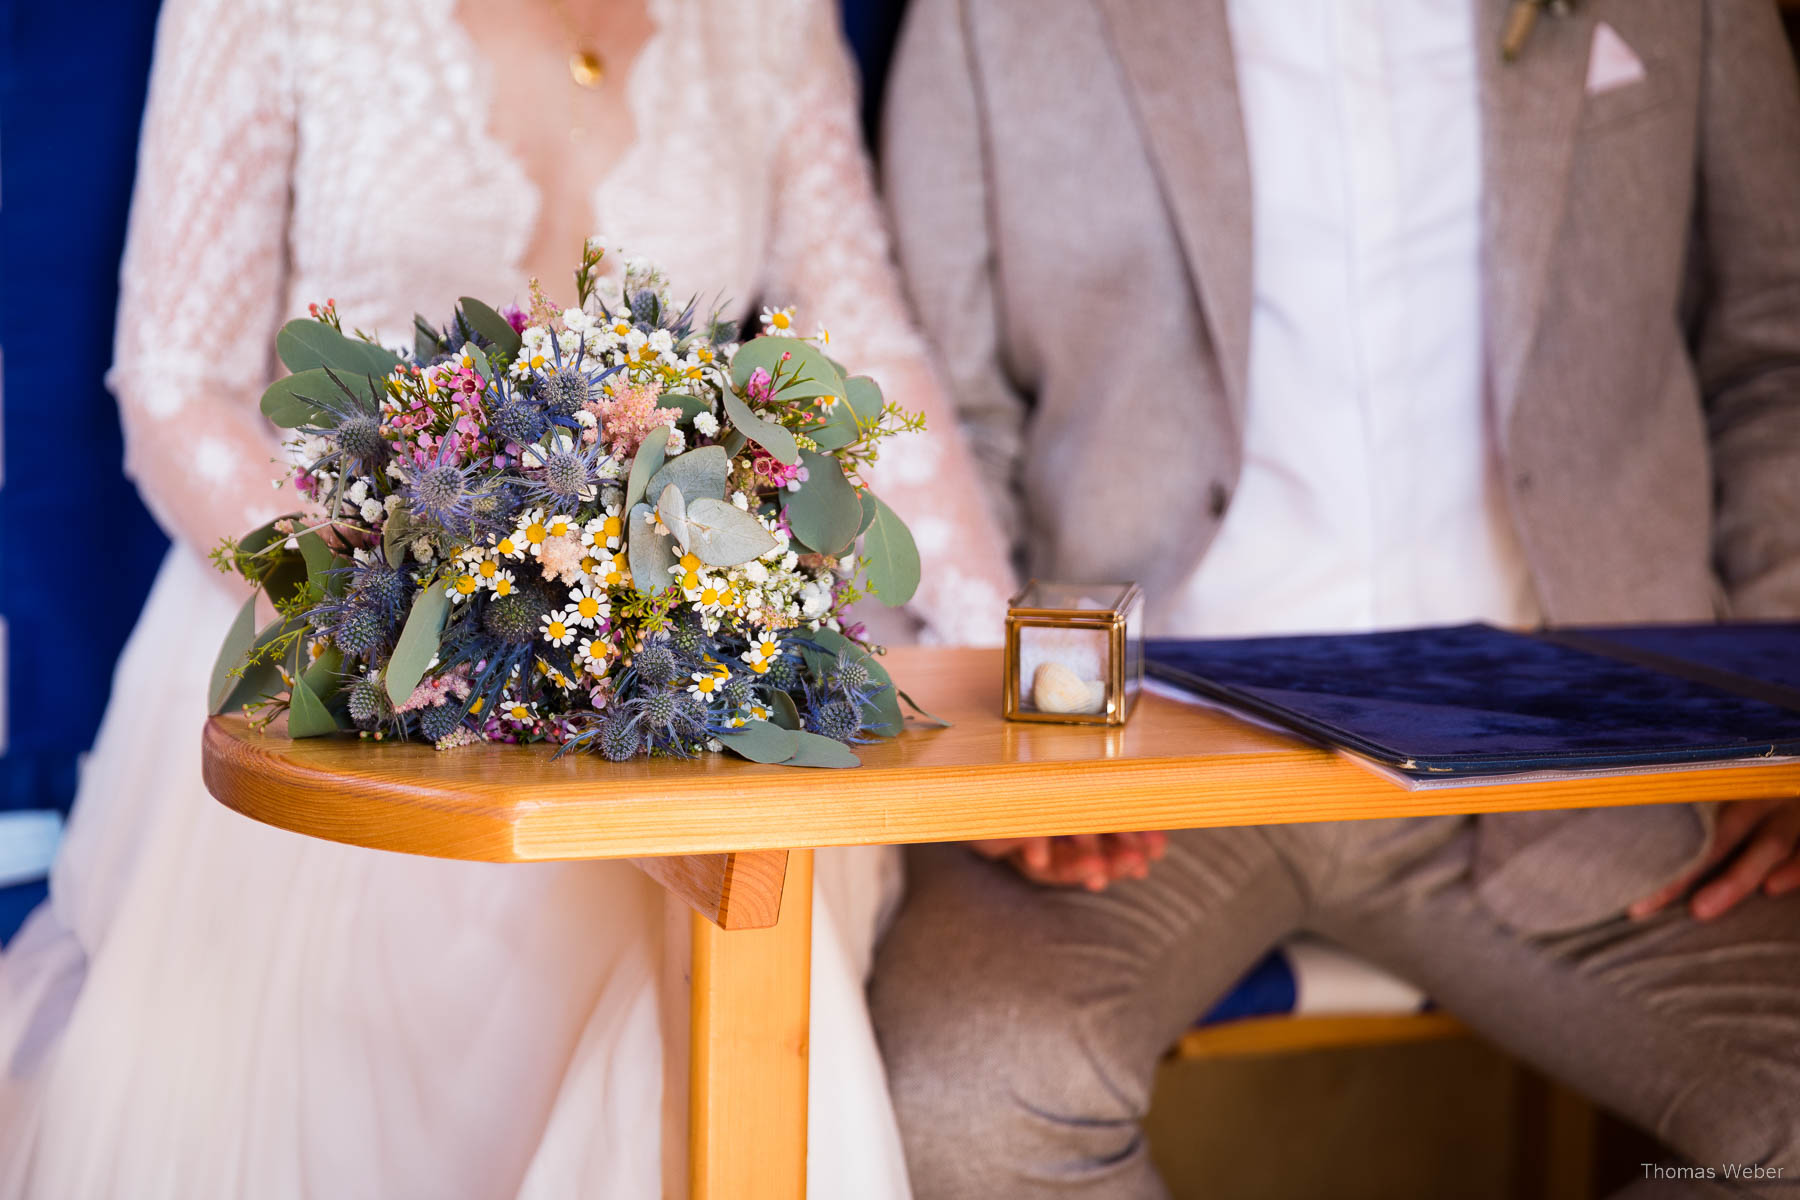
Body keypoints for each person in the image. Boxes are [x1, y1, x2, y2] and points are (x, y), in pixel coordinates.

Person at [0, 0, 1015, 1195]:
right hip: (334, 650)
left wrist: (1004, 654)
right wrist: (404, 619)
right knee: (485, 910)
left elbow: (866, 359)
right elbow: (176, 387)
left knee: (724, 890)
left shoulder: (772, 20)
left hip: (669, 662)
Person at [871, 0, 1800, 1196]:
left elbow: (1774, 354)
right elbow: (939, 416)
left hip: (1591, 753)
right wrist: (988, 759)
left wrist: (1774, 701)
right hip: (1142, 761)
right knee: (966, 1087)